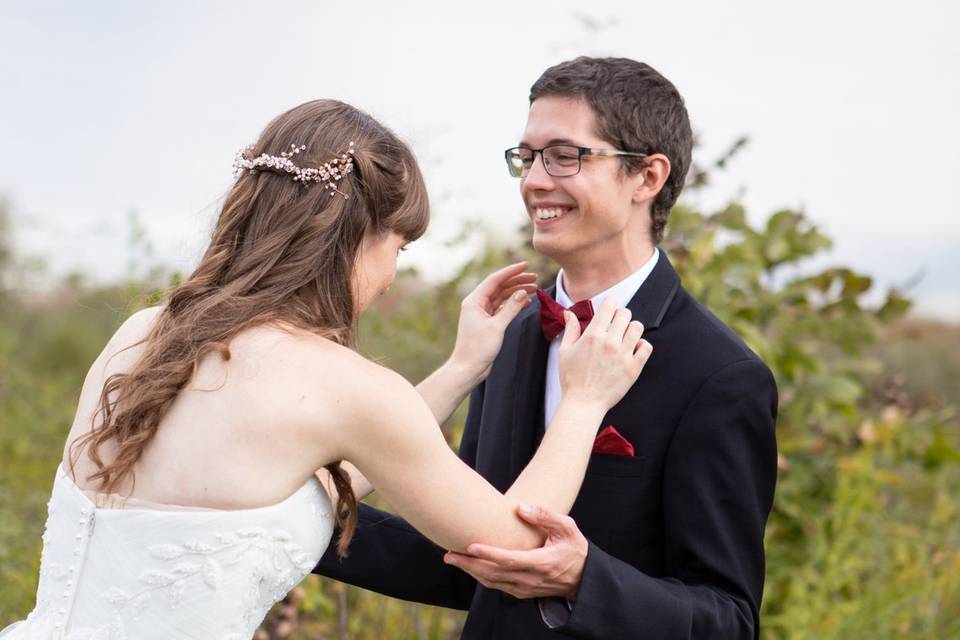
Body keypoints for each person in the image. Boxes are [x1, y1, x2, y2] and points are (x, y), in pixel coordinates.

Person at [0, 99, 654, 640]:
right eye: (398, 246)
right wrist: (583, 403)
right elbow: (516, 543)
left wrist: (460, 368)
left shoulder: (142, 334)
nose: (393, 271)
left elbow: (295, 472)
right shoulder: (344, 386)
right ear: (360, 237)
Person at [314, 57, 779, 639]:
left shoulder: (720, 374)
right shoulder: (509, 333)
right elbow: (473, 555)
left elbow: (729, 620)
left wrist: (585, 578)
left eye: (565, 156)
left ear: (647, 177)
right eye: (527, 157)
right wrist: (299, 527)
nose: (534, 180)